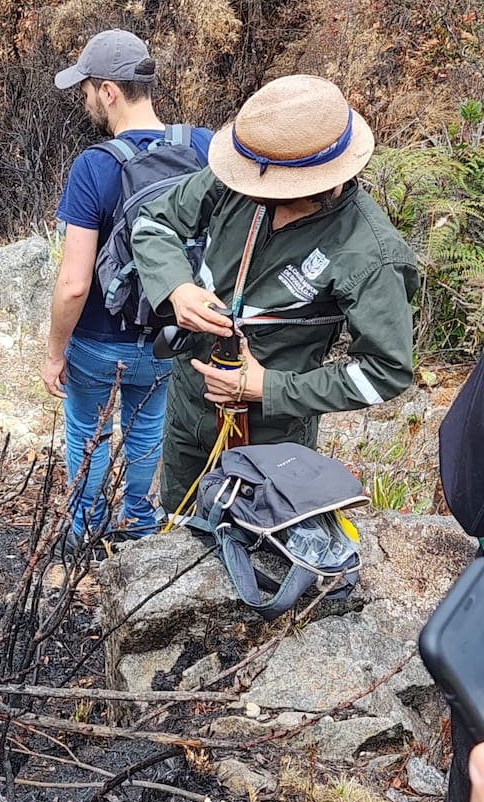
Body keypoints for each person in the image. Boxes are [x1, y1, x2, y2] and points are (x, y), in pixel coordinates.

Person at [129, 74, 419, 514]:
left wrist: (270, 387)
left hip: (270, 435)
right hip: (191, 403)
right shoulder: (244, 174)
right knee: (180, 522)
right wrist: (177, 288)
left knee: (251, 545)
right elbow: (155, 223)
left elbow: (386, 371)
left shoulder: (370, 254)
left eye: (278, 191)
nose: (257, 195)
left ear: (322, 179)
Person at [41, 30, 213, 544]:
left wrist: (54, 353)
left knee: (87, 436)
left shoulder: (94, 166)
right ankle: (138, 525)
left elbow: (74, 284)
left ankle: (84, 536)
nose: (85, 100)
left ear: (109, 91)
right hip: (169, 334)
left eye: (88, 89)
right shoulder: (202, 147)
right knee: (146, 429)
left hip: (98, 340)